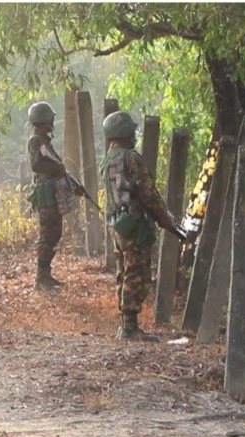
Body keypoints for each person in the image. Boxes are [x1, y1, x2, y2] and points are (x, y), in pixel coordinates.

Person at [101, 111, 180, 342]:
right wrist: (163, 216)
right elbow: (147, 192)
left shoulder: (108, 158)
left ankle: (126, 324)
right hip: (133, 224)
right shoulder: (130, 157)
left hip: (118, 224)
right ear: (124, 132)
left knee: (124, 272)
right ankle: (130, 327)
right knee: (136, 273)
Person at [25, 101, 81, 291]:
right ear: (43, 120)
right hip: (46, 193)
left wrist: (72, 184)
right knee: (48, 233)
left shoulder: (44, 142)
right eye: (49, 120)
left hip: (53, 191)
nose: (52, 123)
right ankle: (41, 277)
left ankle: (46, 274)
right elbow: (36, 166)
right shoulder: (36, 141)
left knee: (55, 232)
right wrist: (56, 168)